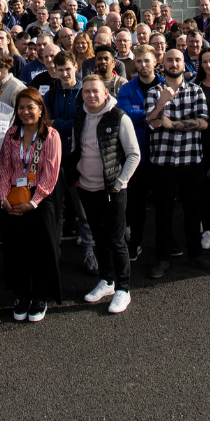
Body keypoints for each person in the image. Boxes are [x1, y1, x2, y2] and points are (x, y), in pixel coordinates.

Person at [70, 74, 140, 314]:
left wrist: (119, 183)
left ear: (106, 92)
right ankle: (107, 280)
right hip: (87, 188)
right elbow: (75, 149)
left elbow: (133, 154)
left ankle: (123, 288)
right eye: (86, 91)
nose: (91, 95)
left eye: (95, 91)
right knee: (99, 237)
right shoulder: (80, 117)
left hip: (112, 190)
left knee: (116, 240)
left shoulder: (119, 117)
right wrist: (76, 178)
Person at [139, 49, 209, 279]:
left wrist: (171, 124)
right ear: (163, 63)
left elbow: (203, 123)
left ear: (183, 63)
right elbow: (151, 124)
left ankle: (195, 254)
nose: (174, 63)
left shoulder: (196, 90)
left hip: (191, 160)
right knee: (163, 212)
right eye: (169, 59)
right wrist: (161, 105)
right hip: (163, 161)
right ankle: (162, 258)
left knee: (193, 209)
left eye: (178, 59)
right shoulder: (154, 92)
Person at [0, 88, 61, 322]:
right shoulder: (12, 134)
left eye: (30, 107)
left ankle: (40, 296)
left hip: (40, 200)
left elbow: (50, 174)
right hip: (13, 199)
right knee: (17, 250)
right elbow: (3, 168)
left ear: (40, 109)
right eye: (21, 107)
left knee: (41, 249)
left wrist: (33, 202)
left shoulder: (50, 135)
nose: (25, 112)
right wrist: (3, 197)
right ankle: (22, 294)